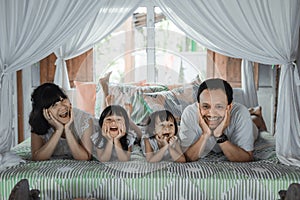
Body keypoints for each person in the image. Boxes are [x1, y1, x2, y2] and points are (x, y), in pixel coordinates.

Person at [179, 78, 258, 162]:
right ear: (198, 106)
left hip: (250, 125)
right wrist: (205, 134)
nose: (211, 113)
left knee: (255, 123)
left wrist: (219, 136)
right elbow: (186, 157)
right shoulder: (189, 113)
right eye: (205, 106)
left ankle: (257, 115)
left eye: (219, 106)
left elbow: (247, 158)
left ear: (229, 107)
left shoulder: (241, 113)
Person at [29, 83, 94, 161]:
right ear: (44, 112)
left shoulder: (84, 119)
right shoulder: (38, 122)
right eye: (54, 105)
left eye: (63, 100)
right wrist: (58, 130)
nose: (63, 107)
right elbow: (37, 158)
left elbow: (85, 157)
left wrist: (68, 129)